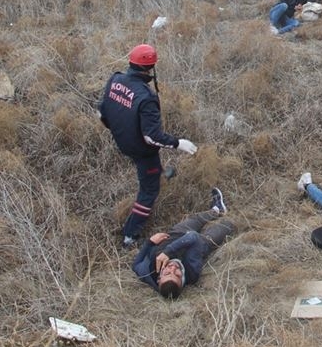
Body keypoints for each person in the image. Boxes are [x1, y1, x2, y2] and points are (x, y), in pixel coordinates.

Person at [99, 44, 199, 248]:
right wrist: (179, 143)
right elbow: (152, 138)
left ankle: (161, 174)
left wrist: (119, 130)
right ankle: (130, 234)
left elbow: (102, 111)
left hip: (123, 141)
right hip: (141, 151)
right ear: (151, 68)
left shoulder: (115, 79)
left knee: (152, 172)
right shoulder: (146, 98)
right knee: (149, 190)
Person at [132, 188, 234, 298]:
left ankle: (217, 210)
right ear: (183, 280)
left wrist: (150, 242)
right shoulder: (191, 271)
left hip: (176, 234)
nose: (172, 268)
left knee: (196, 220)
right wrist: (167, 252)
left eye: (167, 273)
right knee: (227, 226)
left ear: (159, 278)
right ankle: (227, 219)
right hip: (198, 244)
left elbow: (135, 265)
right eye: (177, 274)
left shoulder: (148, 273)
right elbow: (193, 237)